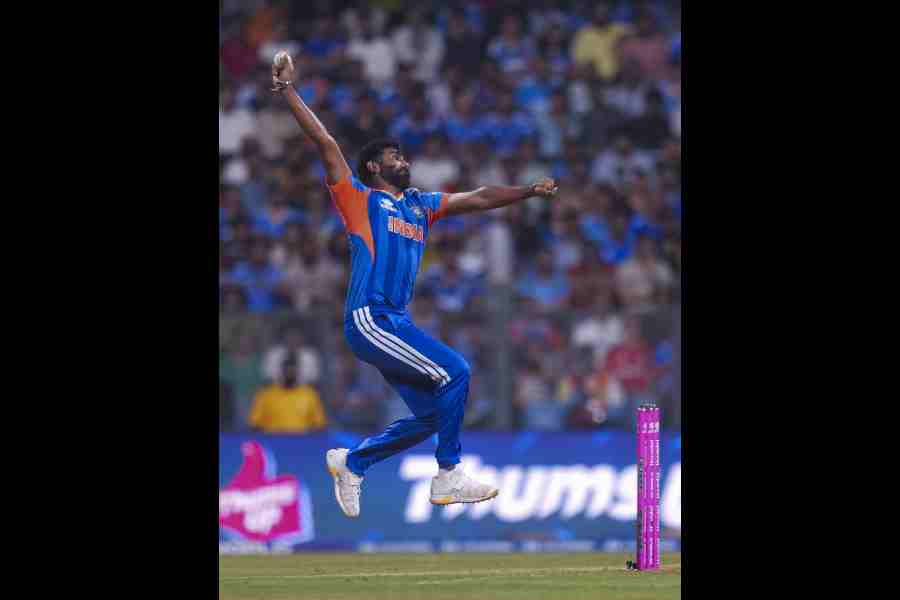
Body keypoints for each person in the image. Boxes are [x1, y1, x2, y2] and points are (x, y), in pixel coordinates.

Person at [271, 51, 559, 518]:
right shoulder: (359, 199)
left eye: (402, 154)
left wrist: (525, 192)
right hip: (370, 316)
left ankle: (353, 462)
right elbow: (324, 142)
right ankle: (448, 475)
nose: (402, 160)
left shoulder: (420, 205)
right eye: (393, 156)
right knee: (457, 371)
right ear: (373, 168)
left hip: (392, 320)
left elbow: (480, 197)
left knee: (432, 413)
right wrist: (288, 91)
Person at [248, 357, 328, 433]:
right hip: (273, 441)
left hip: (302, 442)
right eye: (287, 370)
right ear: (281, 372)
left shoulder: (309, 394)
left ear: (298, 372)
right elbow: (254, 424)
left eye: (292, 371)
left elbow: (320, 425)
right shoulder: (266, 394)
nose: (289, 374)